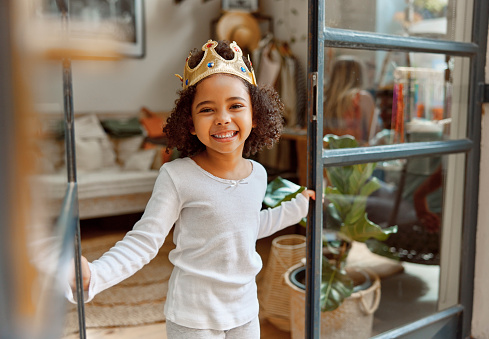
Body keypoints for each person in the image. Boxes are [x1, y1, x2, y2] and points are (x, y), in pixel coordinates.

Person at [67, 39, 315, 339]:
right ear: (191, 124)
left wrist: (299, 207)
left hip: (246, 312)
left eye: (235, 105)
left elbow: (245, 227)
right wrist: (96, 274)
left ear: (255, 116)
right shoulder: (177, 176)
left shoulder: (258, 174)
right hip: (193, 318)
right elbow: (145, 241)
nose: (223, 117)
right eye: (207, 109)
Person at [323, 56, 376, 145]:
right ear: (358, 75)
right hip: (353, 156)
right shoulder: (363, 98)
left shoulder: (323, 100)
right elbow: (373, 134)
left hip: (327, 156)